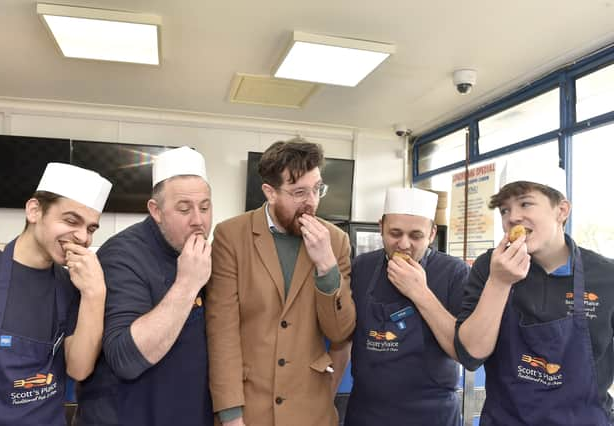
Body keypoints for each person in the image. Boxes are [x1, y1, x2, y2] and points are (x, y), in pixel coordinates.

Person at [206, 139, 356, 426]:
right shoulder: (231, 236)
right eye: (299, 192)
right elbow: (221, 331)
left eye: (317, 189)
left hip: (311, 409)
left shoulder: (335, 241)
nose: (311, 201)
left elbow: (340, 332)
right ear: (270, 192)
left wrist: (327, 267)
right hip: (250, 407)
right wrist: (230, 414)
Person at [455, 160, 614, 425]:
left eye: (525, 203)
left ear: (561, 210)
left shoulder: (607, 276)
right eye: (505, 210)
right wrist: (499, 282)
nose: (512, 217)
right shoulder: (489, 267)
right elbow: (470, 355)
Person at [74, 146, 213, 426]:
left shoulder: (206, 253)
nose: (198, 220)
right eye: (184, 209)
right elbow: (126, 358)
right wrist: (187, 283)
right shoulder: (122, 255)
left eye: (206, 207)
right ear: (156, 211)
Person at [0, 163, 112, 426]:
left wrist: (95, 292)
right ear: (34, 210)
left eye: (91, 228)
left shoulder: (72, 286)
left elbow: (79, 368)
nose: (82, 237)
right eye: (71, 221)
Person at [343, 187, 470, 426]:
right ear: (380, 226)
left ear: (432, 234)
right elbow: (343, 334)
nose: (403, 244)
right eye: (395, 233)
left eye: (416, 236)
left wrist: (419, 292)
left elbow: (463, 351)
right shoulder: (361, 267)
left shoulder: (454, 273)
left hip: (432, 414)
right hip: (368, 412)